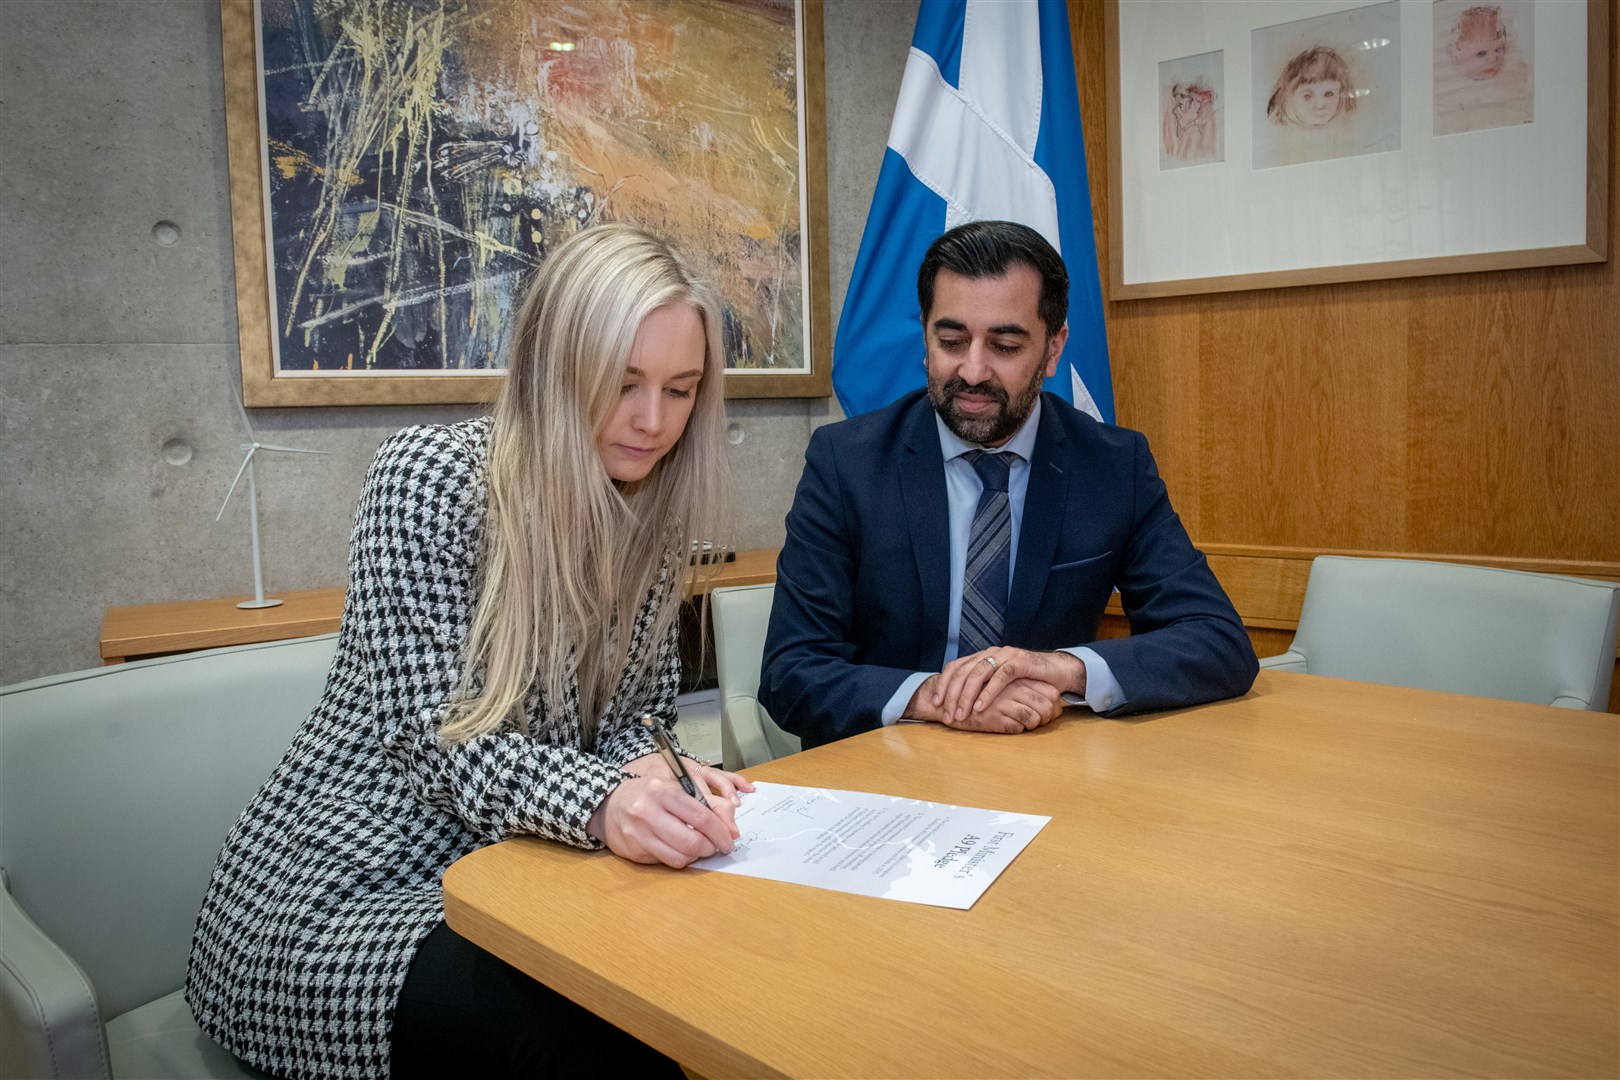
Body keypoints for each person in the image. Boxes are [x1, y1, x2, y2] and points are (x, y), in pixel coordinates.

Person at [185, 224, 753, 1080]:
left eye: (681, 390)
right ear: (554, 366)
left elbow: (637, 717)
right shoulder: (431, 476)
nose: (652, 421)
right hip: (340, 895)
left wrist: (667, 774)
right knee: (586, 1039)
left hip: (519, 876)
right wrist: (606, 802)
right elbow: (436, 742)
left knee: (700, 991)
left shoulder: (650, 519)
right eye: (623, 383)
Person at [759, 220, 1257, 750]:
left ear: (1053, 349)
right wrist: (940, 698)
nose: (972, 371)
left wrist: (1059, 668)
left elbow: (1218, 640)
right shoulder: (847, 463)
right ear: (925, 338)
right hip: (889, 773)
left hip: (1045, 766)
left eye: (1005, 345)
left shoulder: (1112, 465)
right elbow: (792, 670)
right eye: (950, 340)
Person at [1266, 46, 1357, 129]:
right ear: (1288, 97)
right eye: (1307, 96)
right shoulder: (1280, 132)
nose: (1320, 105)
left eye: (1329, 94)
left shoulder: (1345, 130)